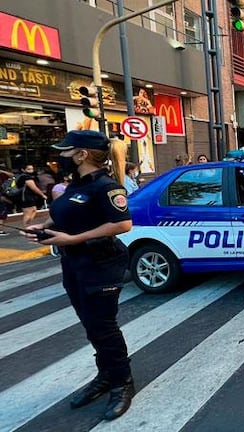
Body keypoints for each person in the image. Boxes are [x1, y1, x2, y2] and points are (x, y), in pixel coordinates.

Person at [23, 130, 134, 421]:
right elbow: (63, 215)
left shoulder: (106, 186)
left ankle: (122, 382)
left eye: (66, 151)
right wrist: (42, 226)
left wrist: (74, 239)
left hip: (102, 263)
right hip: (75, 264)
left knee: (104, 326)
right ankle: (106, 375)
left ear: (82, 154)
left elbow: (122, 224)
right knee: (91, 326)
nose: (61, 157)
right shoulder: (75, 185)